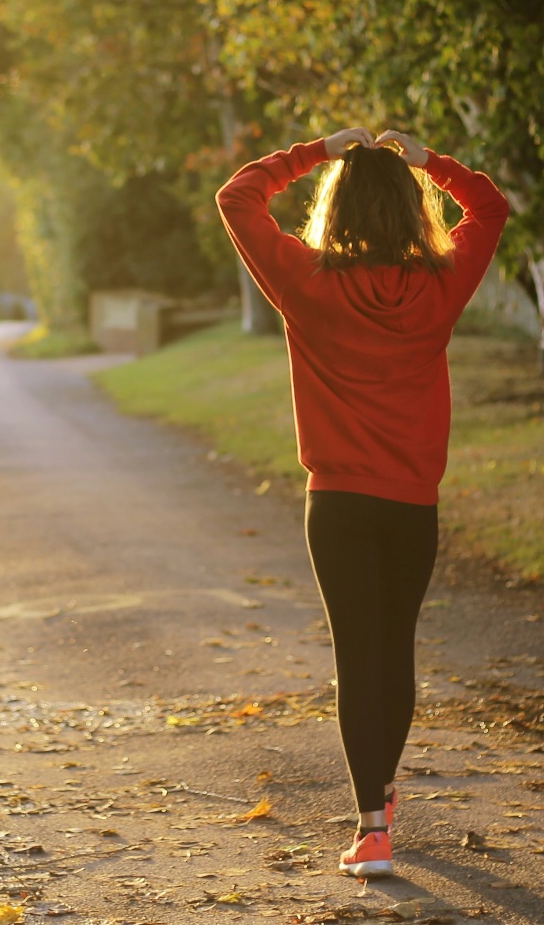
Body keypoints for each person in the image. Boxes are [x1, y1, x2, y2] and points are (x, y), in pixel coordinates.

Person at [215, 126, 510, 878]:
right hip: (412, 503)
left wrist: (316, 151)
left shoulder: (306, 281)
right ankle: (378, 799)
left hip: (338, 504)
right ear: (412, 211)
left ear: (336, 209)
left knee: (358, 657)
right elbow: (492, 205)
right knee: (395, 651)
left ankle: (372, 826)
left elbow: (237, 197)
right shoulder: (442, 283)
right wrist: (429, 162)